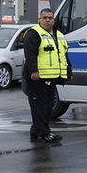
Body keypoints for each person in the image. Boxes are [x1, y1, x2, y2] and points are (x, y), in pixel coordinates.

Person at [23, 8, 71, 144]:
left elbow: (63, 55)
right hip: (37, 79)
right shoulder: (34, 34)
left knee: (48, 106)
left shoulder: (58, 35)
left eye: (50, 17)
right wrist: (34, 70)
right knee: (40, 107)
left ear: (54, 19)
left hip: (52, 77)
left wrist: (69, 72)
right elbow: (30, 54)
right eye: (45, 18)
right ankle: (43, 133)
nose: (48, 20)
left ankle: (37, 133)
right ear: (39, 19)